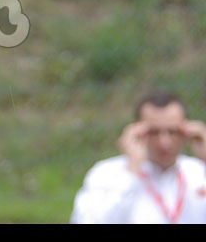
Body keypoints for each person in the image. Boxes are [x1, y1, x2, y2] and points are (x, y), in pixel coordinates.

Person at [70, 91, 206, 223]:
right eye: (154, 132)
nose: (164, 142)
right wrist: (131, 173)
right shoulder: (107, 174)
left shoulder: (198, 171)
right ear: (136, 131)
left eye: (173, 132)